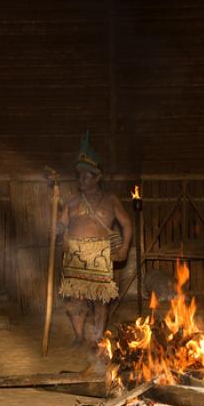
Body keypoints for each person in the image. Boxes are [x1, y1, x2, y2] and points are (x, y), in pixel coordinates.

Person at [58, 131, 133, 349]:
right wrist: (57, 225)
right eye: (79, 175)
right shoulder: (71, 203)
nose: (81, 179)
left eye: (85, 175)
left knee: (101, 300)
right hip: (75, 255)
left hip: (101, 254)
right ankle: (79, 336)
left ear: (97, 177)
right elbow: (60, 226)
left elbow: (127, 224)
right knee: (75, 299)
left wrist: (125, 247)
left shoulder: (110, 200)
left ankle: (98, 337)